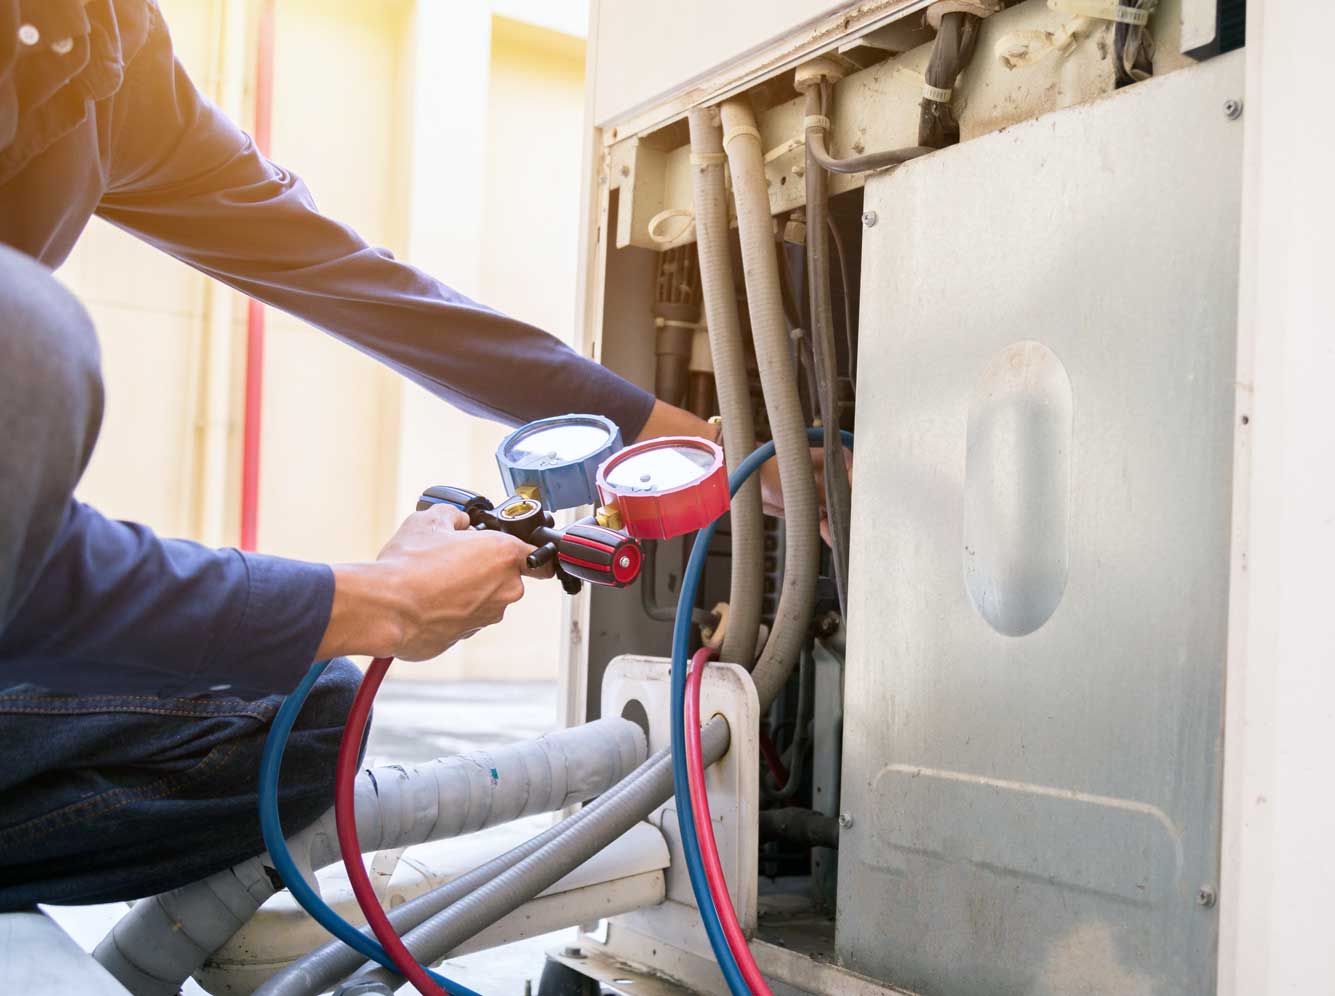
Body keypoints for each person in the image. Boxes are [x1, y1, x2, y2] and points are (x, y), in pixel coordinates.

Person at [0, 0, 811, 910]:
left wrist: (696, 440)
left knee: (298, 729)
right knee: (33, 340)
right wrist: (368, 601)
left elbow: (365, 287)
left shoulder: (108, 49)